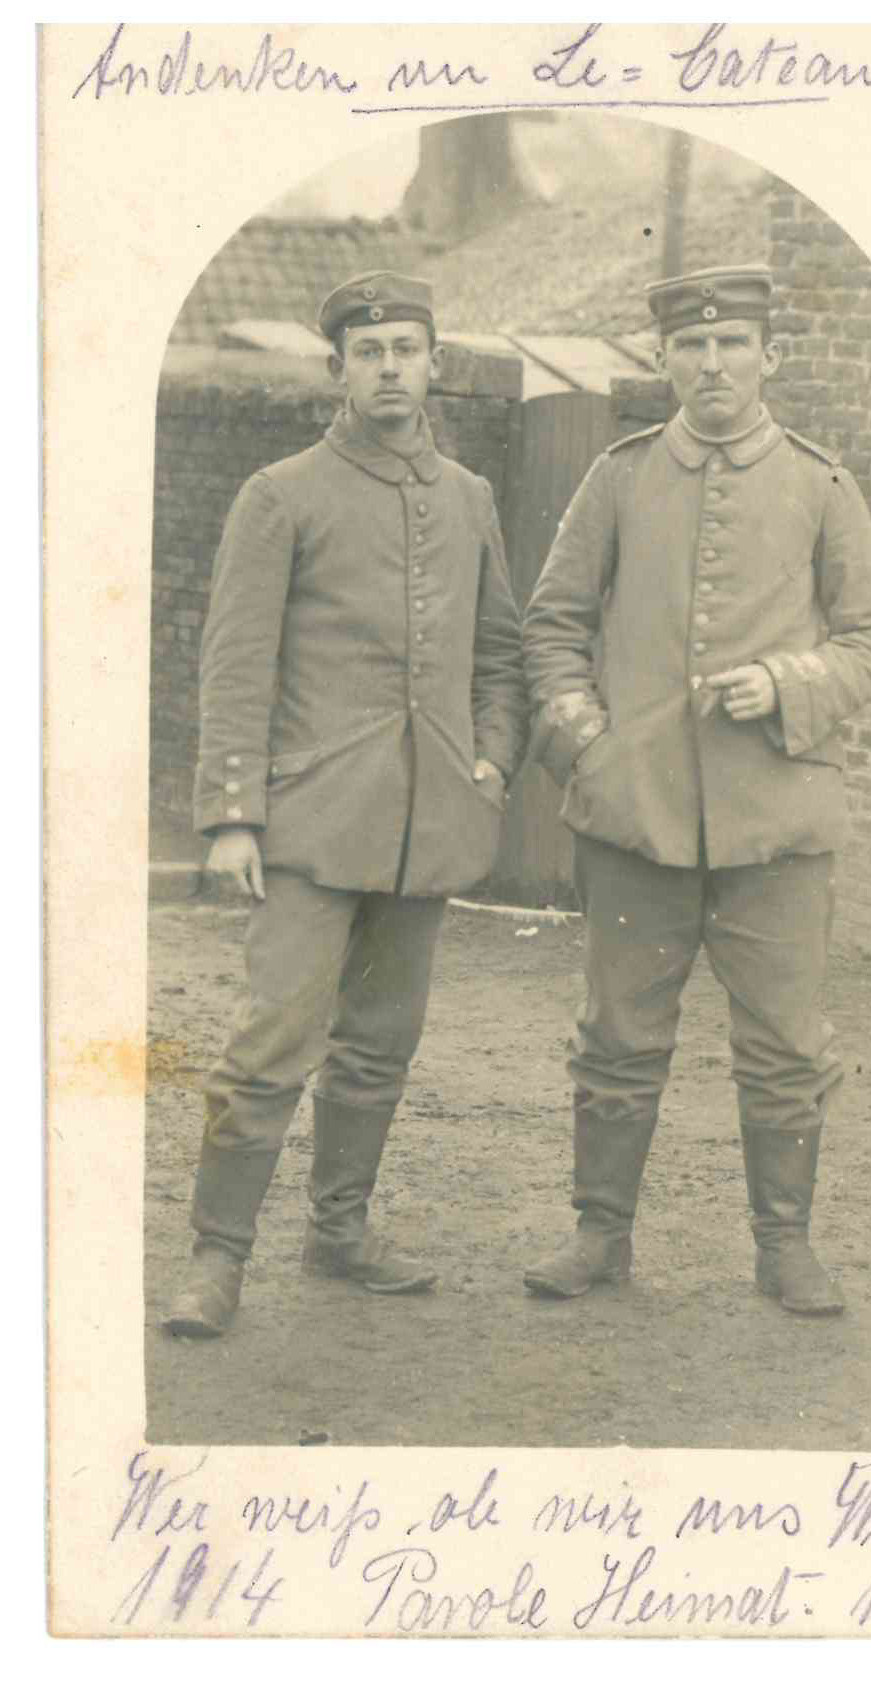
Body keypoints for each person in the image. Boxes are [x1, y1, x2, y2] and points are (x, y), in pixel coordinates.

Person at [521, 264, 871, 1315]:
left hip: (776, 823)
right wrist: (587, 744)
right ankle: (599, 1234)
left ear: (768, 357)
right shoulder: (617, 476)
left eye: (732, 343)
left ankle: (784, 1246)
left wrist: (787, 682)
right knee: (616, 1037)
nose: (712, 363)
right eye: (690, 346)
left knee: (784, 1047)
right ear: (663, 360)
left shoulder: (822, 485)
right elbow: (551, 626)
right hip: (633, 818)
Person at [166, 270, 528, 1338]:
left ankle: (338, 1231)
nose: (389, 369)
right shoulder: (280, 493)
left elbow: (499, 655)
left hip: (428, 823)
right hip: (310, 824)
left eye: (406, 350)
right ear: (337, 369)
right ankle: (216, 1258)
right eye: (368, 353)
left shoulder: (468, 498)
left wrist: (490, 762)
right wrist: (233, 814)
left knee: (380, 1043)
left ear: (434, 364)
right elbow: (237, 663)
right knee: (270, 1044)